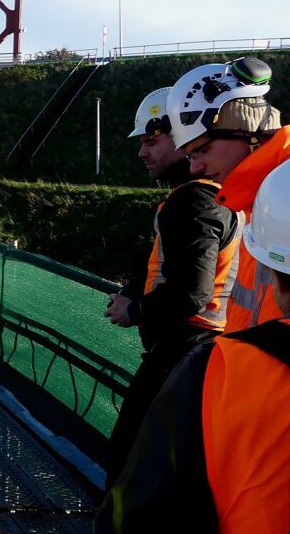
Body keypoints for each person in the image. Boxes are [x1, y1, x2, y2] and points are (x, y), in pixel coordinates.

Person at [96, 161, 290, 533]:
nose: (141, 152)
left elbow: (136, 506)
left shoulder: (218, 371)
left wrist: (135, 309)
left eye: (200, 148)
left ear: (276, 278)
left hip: (185, 344)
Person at [101, 87, 241, 487]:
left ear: (182, 136)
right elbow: (165, 263)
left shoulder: (191, 202)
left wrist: (134, 311)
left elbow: (190, 293)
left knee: (129, 465)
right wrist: (134, 289)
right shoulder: (219, 197)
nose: (143, 152)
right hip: (210, 350)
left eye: (151, 139)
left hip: (184, 353)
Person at [165, 56, 287, 332]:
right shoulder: (263, 198)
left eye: (202, 149)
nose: (195, 167)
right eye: (189, 156)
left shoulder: (282, 196)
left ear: (245, 131)